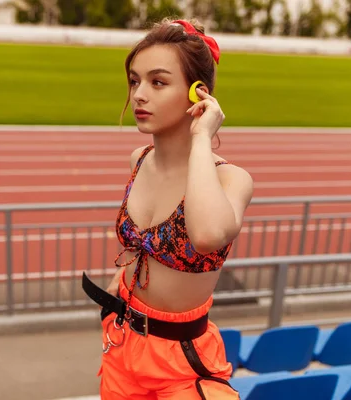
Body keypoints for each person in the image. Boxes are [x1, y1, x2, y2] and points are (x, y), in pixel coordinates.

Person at [82, 17, 254, 400]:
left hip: (183, 361)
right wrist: (120, 286)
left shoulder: (232, 180)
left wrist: (201, 138)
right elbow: (137, 245)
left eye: (158, 82)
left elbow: (207, 235)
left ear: (199, 94)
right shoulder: (138, 159)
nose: (140, 94)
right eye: (134, 81)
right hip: (122, 343)